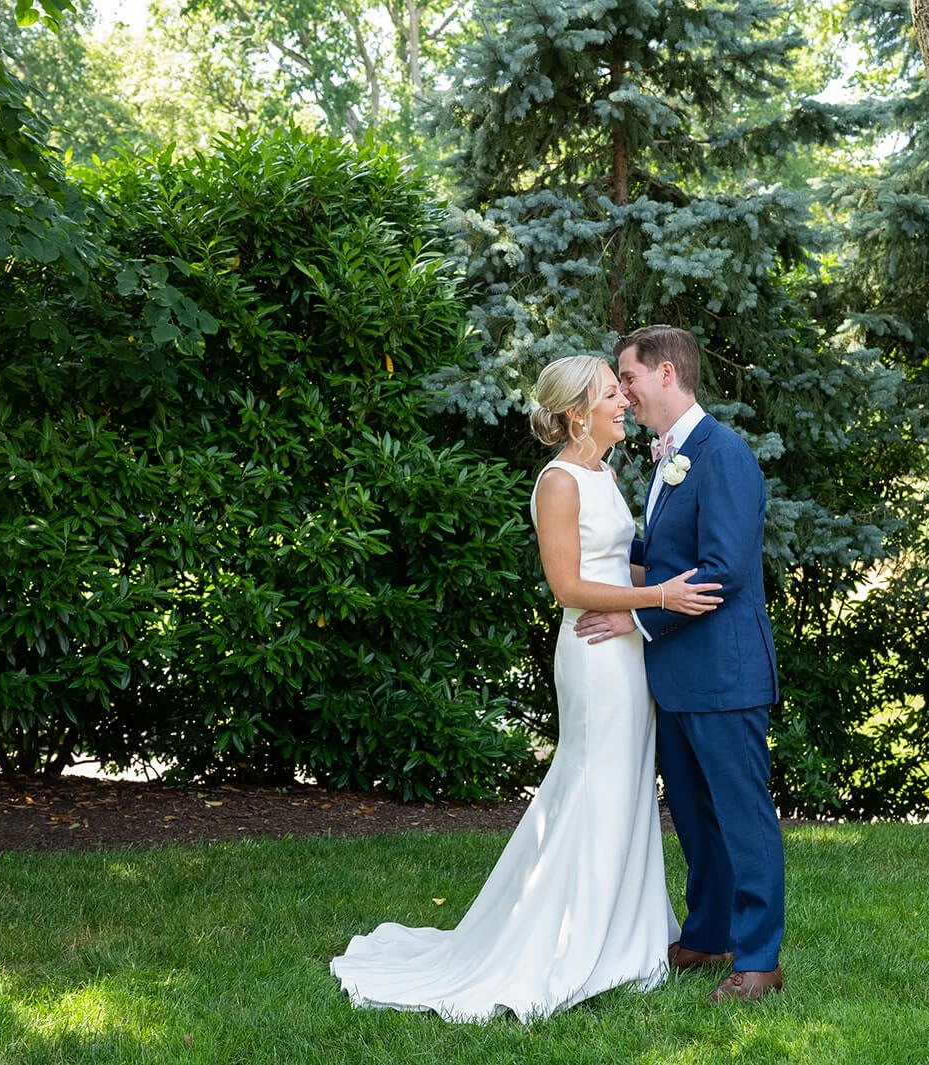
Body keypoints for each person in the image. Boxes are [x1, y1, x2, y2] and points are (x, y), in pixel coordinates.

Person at [331, 354, 722, 1023]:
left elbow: (613, 557)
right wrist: (659, 595)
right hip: (594, 656)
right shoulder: (559, 481)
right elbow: (568, 585)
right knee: (594, 784)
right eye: (610, 393)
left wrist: (663, 578)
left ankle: (625, 934)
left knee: (626, 786)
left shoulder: (602, 472)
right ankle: (575, 942)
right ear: (577, 411)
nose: (623, 400)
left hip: (626, 649)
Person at [574, 324, 785, 1002]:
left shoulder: (721, 455)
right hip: (680, 673)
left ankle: (759, 960)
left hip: (724, 672)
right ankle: (708, 932)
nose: (624, 391)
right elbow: (663, 559)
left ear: (666, 373)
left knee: (742, 817)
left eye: (628, 376)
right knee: (696, 817)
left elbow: (722, 571)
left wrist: (633, 615)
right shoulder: (670, 460)